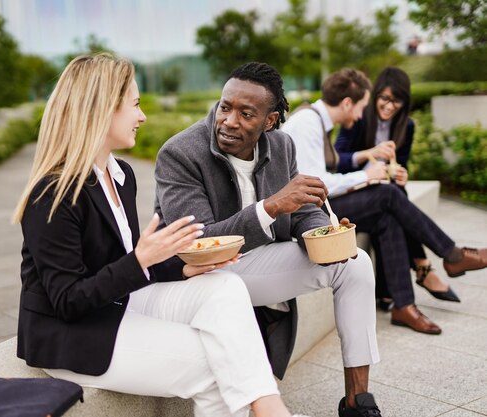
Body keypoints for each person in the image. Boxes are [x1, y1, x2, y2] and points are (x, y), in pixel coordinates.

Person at [12, 54, 310, 417]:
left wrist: (180, 268)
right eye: (134, 105)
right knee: (216, 363)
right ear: (102, 110)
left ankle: (269, 408)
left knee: (224, 285)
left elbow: (125, 267)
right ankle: (273, 411)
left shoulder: (120, 174)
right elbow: (68, 301)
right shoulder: (53, 193)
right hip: (70, 334)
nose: (143, 116)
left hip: (119, 304)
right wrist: (141, 259)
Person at [155, 62, 384, 417]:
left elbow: (304, 209)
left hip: (258, 265)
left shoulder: (281, 146)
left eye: (246, 114)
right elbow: (197, 244)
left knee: (355, 263)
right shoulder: (180, 153)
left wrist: (322, 233)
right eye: (225, 107)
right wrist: (270, 207)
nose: (229, 120)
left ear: (270, 121)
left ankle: (358, 400)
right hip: (204, 276)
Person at [282, 67, 487, 337]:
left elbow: (326, 171)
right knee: (388, 195)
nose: (360, 115)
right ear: (347, 103)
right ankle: (452, 255)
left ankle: (404, 305)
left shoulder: (316, 121)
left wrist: (369, 169)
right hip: (304, 214)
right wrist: (366, 175)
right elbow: (317, 184)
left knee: (387, 215)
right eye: (362, 106)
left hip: (314, 206)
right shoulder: (309, 123)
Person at [334, 66, 459, 308]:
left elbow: (400, 163)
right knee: (392, 198)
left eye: (397, 101)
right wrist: (368, 158)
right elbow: (336, 160)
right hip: (355, 187)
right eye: (385, 99)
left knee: (394, 198)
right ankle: (426, 265)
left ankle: (388, 292)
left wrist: (401, 173)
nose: (390, 106)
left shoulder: (407, 126)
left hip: (386, 191)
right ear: (377, 94)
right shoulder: (359, 118)